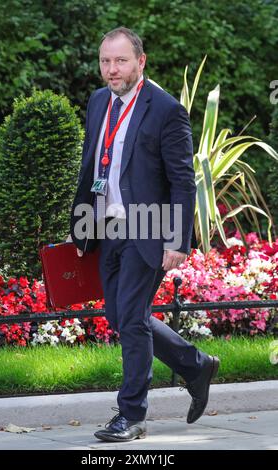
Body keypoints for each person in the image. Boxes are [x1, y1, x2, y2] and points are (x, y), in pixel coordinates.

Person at [69, 27, 219, 443]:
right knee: (119, 316)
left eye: (120, 61)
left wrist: (176, 239)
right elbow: (92, 166)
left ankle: (131, 415)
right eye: (105, 61)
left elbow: (182, 181)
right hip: (106, 225)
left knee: (131, 320)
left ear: (141, 62)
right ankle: (195, 364)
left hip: (148, 227)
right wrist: (81, 226)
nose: (111, 69)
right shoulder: (99, 101)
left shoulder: (166, 109)